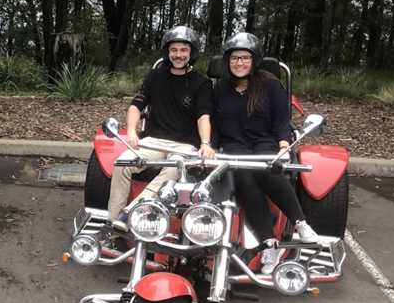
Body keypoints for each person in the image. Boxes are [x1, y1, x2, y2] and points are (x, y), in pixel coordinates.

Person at [211, 32, 319, 274]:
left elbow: (282, 120)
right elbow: (215, 124)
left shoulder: (271, 85)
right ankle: (269, 243)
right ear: (227, 61)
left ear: (254, 60)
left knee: (269, 170)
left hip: (264, 142)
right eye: (234, 58)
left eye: (244, 58)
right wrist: (208, 145)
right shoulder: (219, 89)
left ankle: (301, 223)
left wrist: (283, 143)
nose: (239, 63)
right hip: (233, 145)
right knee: (245, 178)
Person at [107, 25, 215, 224]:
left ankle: (130, 213)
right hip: (153, 141)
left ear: (192, 52)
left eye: (184, 50)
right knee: (122, 164)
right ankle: (112, 222)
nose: (178, 55)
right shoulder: (155, 76)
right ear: (167, 52)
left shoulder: (202, 83)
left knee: (174, 168)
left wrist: (205, 143)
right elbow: (136, 105)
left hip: (184, 145)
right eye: (174, 50)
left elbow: (203, 116)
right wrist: (131, 130)